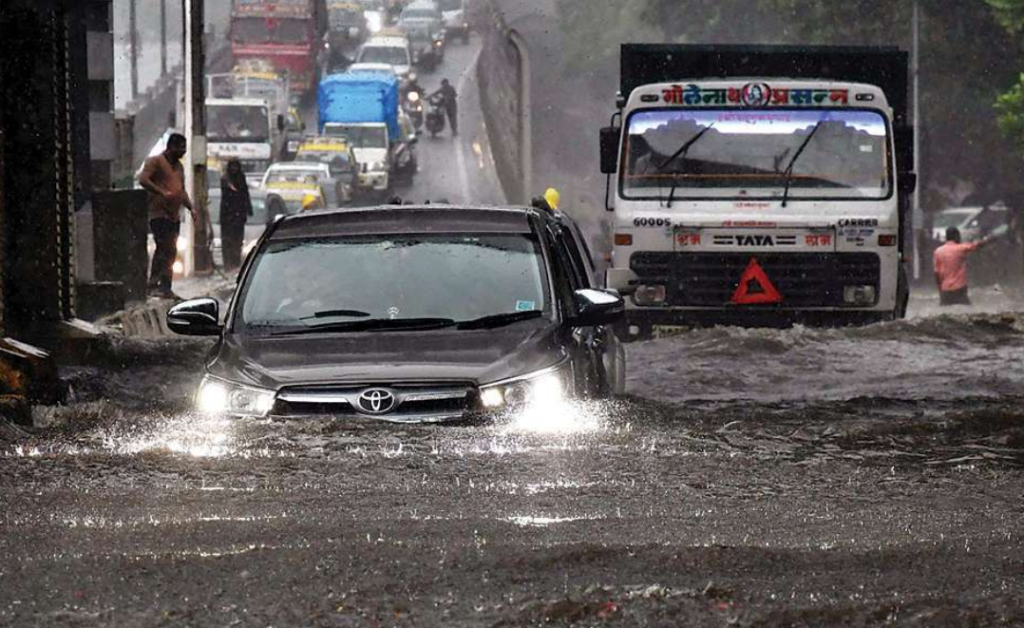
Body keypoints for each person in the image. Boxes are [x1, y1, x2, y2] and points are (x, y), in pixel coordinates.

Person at [138, 133, 195, 299]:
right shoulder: (155, 161)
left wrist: (191, 208)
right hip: (158, 212)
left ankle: (165, 286)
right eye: (181, 147)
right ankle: (154, 284)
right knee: (163, 247)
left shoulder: (179, 167)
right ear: (171, 147)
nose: (183, 151)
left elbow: (181, 190)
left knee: (171, 250)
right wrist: (161, 192)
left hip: (174, 215)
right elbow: (143, 179)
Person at [933, 226, 993, 306]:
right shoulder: (961, 248)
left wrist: (940, 291)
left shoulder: (938, 252)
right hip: (959, 289)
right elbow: (977, 245)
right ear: (956, 236)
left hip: (945, 290)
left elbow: (936, 273)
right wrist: (989, 239)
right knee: (968, 312)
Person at [219, 158, 253, 271]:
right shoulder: (225, 179)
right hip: (227, 217)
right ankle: (229, 265)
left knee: (237, 243)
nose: (234, 169)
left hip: (238, 217)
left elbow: (245, 194)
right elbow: (228, 195)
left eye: (236, 167)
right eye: (232, 167)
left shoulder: (241, 178)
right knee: (228, 242)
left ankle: (235, 264)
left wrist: (248, 209)